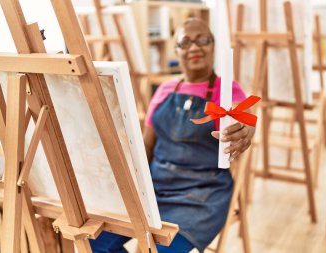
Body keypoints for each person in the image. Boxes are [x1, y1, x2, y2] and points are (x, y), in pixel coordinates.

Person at [90, 18, 255, 253]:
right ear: (176, 51)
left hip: (201, 194)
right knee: (94, 243)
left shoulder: (227, 89)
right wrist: (130, 188)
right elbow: (147, 146)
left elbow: (245, 118)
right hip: (155, 187)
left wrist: (246, 130)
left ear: (213, 45)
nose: (194, 47)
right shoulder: (165, 90)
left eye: (202, 40)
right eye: (185, 42)